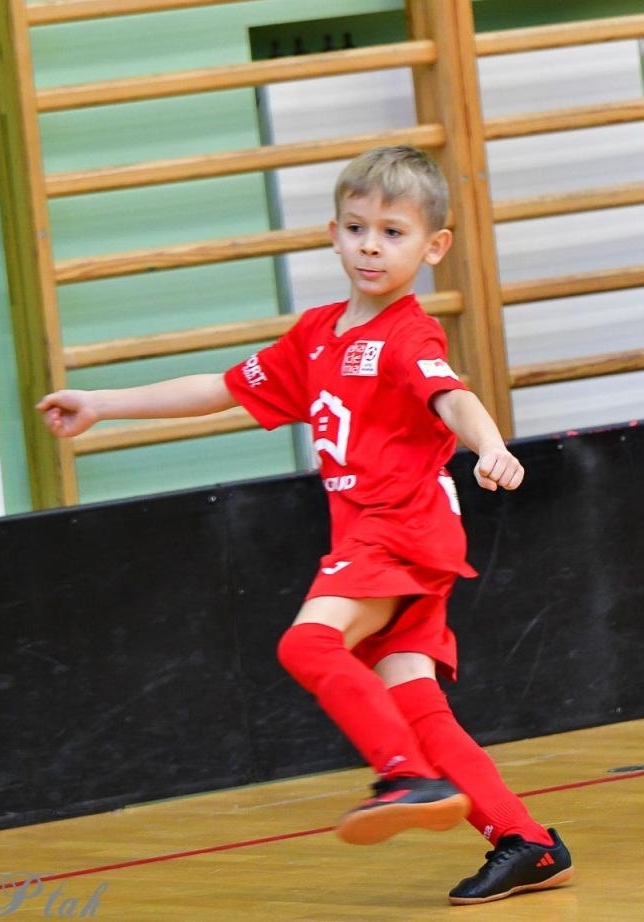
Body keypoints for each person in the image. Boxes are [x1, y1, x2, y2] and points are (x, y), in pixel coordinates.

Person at [37, 146, 573, 906]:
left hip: (397, 529)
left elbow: (451, 396)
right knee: (417, 700)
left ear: (433, 247)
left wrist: (488, 445)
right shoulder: (316, 336)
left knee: (309, 643)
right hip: (394, 538)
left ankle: (404, 775)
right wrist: (103, 403)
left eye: (393, 232)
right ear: (332, 233)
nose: (370, 246)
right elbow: (218, 389)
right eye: (357, 227)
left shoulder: (407, 335)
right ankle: (527, 842)